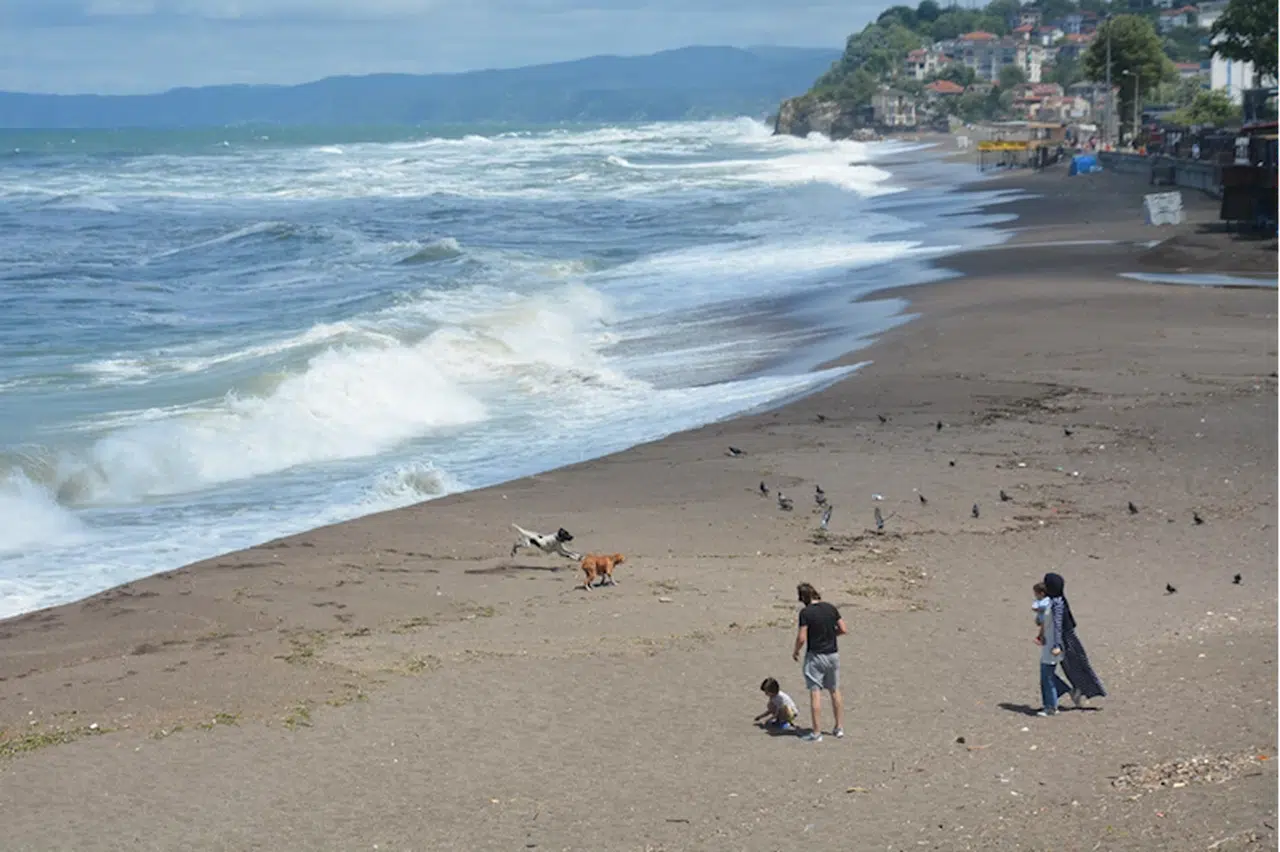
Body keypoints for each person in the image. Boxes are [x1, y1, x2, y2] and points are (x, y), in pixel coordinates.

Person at [792, 582, 848, 742]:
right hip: (833, 654)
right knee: (834, 690)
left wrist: (796, 651)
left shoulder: (806, 613)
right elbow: (843, 629)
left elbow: (802, 637)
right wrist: (831, 635)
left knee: (815, 692)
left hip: (815, 655)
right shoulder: (831, 608)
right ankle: (839, 728)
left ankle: (816, 732)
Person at [1044, 572, 1107, 710]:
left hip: (1063, 640)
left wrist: (1056, 643)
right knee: (1074, 667)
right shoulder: (1058, 600)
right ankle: (1077, 691)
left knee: (1052, 670)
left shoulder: (1057, 603)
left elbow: (1058, 623)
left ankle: (1074, 691)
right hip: (1065, 639)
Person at [1032, 581, 1051, 646]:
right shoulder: (1038, 601)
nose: (1035, 595)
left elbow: (1047, 607)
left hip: (1046, 619)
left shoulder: (1047, 600)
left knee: (1043, 629)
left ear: (1042, 593)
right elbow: (1034, 608)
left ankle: (1040, 638)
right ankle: (1041, 638)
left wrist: (1039, 609)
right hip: (1041, 618)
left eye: (1036, 594)